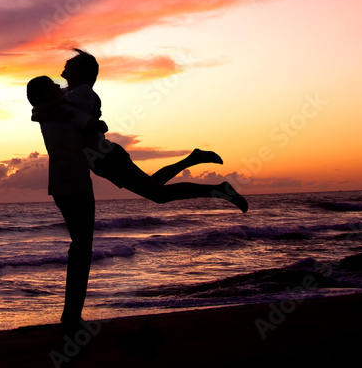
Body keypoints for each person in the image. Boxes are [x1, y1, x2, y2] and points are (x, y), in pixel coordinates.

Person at [30, 49, 249, 211]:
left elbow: (47, 107)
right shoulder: (73, 92)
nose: (64, 66)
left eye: (71, 64)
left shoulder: (82, 92)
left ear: (81, 72)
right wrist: (40, 113)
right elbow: (44, 110)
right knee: (155, 187)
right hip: (102, 160)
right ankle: (192, 159)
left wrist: (42, 112)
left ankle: (220, 190)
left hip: (106, 158)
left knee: (159, 194)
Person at [26, 75, 96, 330]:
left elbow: (40, 108)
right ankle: (71, 315)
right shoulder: (61, 110)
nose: (59, 87)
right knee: (82, 247)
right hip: (74, 181)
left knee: (79, 245)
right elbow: (96, 125)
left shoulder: (46, 112)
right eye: (53, 86)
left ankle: (71, 313)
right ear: (45, 94)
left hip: (60, 184)